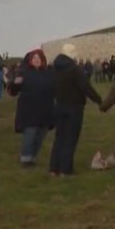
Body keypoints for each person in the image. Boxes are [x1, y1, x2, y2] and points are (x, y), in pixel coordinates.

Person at [49, 44, 102, 177]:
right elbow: (86, 87)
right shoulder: (75, 69)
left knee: (59, 138)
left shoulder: (54, 68)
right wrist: (98, 100)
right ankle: (65, 169)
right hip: (74, 107)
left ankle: (53, 168)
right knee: (70, 138)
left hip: (59, 105)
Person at [8, 49, 55, 167]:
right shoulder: (24, 72)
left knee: (41, 135)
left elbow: (55, 89)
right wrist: (15, 84)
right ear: (30, 60)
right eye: (34, 58)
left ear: (43, 60)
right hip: (29, 109)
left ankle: (32, 156)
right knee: (30, 134)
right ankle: (25, 158)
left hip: (45, 109)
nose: (37, 60)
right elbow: (13, 91)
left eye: (39, 58)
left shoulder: (49, 73)